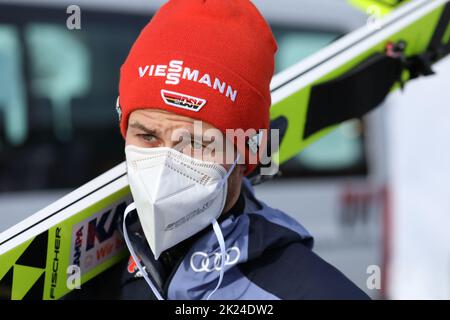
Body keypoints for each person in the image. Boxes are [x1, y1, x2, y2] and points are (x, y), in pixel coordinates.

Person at [74, 0, 370, 300]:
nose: (163, 165)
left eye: (195, 143)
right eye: (147, 136)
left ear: (245, 155)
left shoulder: (312, 292)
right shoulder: (90, 275)